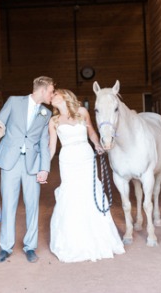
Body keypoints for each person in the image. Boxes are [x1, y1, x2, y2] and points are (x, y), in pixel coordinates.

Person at [48, 89, 125, 263]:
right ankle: (73, 240)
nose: (51, 97)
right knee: (71, 194)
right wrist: (43, 167)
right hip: (67, 159)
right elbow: (52, 147)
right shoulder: (53, 121)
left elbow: (91, 132)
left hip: (85, 155)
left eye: (55, 94)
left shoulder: (82, 112)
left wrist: (97, 144)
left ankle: (98, 238)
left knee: (90, 193)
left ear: (65, 96)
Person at [0, 76, 55, 263]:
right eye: (51, 91)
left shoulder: (46, 114)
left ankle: (30, 247)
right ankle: (5, 247)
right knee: (9, 204)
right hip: (10, 162)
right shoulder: (14, 102)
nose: (52, 94)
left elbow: (43, 142)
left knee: (32, 205)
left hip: (32, 165)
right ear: (42, 90)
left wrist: (44, 169)